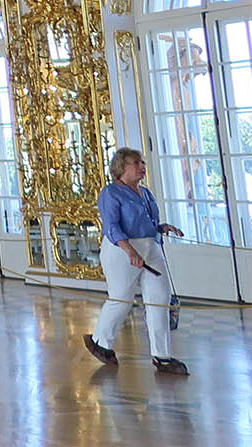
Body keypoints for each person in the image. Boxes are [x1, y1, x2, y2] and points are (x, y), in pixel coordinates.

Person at [83, 148, 189, 375]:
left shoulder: (146, 193)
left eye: (142, 162)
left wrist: (161, 227)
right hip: (120, 250)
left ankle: (162, 356)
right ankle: (100, 341)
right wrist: (130, 251)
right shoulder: (111, 193)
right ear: (121, 167)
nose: (142, 166)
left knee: (160, 298)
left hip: (151, 247)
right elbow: (112, 227)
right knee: (122, 298)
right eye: (136, 163)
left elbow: (145, 222)